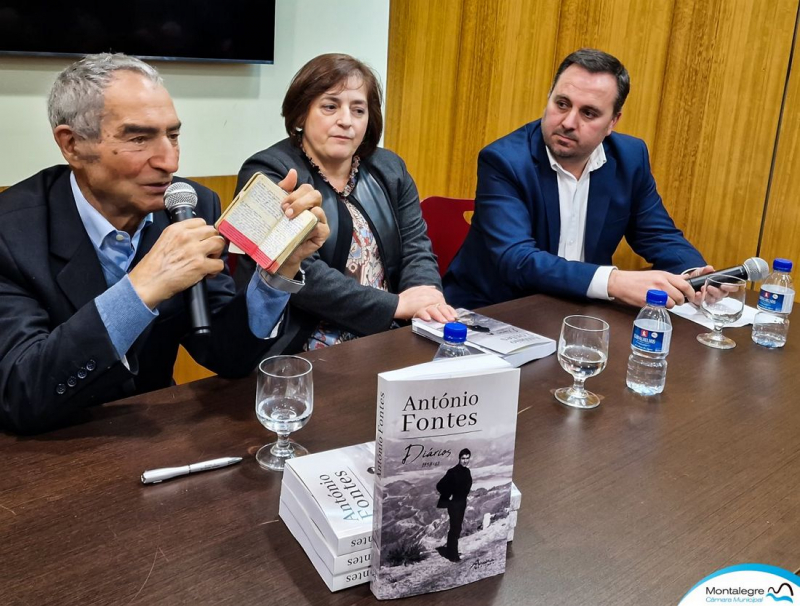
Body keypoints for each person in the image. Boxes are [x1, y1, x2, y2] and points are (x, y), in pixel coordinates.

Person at [0, 53, 329, 434]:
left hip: (153, 432)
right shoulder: (12, 234)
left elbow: (227, 354)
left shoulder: (192, 206)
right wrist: (142, 288)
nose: (169, 161)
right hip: (48, 445)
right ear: (72, 145)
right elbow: (20, 394)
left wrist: (279, 270)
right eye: (139, 138)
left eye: (173, 135)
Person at [444, 48, 712, 310]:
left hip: (578, 312)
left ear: (613, 122)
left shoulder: (630, 158)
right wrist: (613, 282)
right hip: (497, 311)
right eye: (562, 104)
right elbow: (518, 260)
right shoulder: (504, 161)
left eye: (589, 113)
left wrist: (696, 276)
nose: (569, 122)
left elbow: (660, 235)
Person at [234, 53, 456, 353]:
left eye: (358, 110)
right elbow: (302, 275)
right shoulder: (268, 171)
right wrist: (396, 305)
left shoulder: (390, 169)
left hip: (391, 333)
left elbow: (416, 246)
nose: (346, 121)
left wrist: (426, 296)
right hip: (306, 342)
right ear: (301, 114)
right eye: (330, 106)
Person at [436, 448, 473, 562]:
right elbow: (440, 485)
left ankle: (452, 552)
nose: (465, 461)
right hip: (454, 504)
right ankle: (452, 556)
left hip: (462, 503)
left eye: (467, 458)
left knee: (457, 528)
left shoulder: (467, 471)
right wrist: (449, 495)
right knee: (455, 529)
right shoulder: (452, 472)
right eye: (463, 458)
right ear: (459, 459)